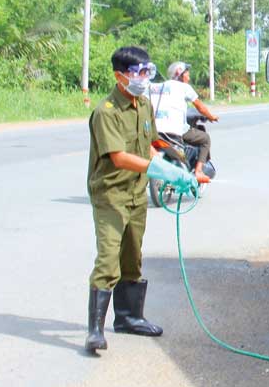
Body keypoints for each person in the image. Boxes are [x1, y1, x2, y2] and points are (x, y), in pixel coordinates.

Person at [85, 46, 197, 353]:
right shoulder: (106, 111)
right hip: (111, 194)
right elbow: (119, 157)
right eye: (137, 73)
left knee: (132, 257)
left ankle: (129, 318)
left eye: (146, 72)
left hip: (136, 193)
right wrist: (156, 168)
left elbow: (147, 144)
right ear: (120, 76)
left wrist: (172, 166)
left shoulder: (144, 104)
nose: (143, 78)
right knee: (109, 260)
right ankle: (95, 330)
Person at [149, 61, 219, 181]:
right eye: (187, 73)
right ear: (179, 74)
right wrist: (211, 117)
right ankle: (198, 171)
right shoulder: (184, 87)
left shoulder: (156, 86)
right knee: (205, 139)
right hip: (173, 132)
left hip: (152, 131)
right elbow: (200, 107)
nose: (189, 76)